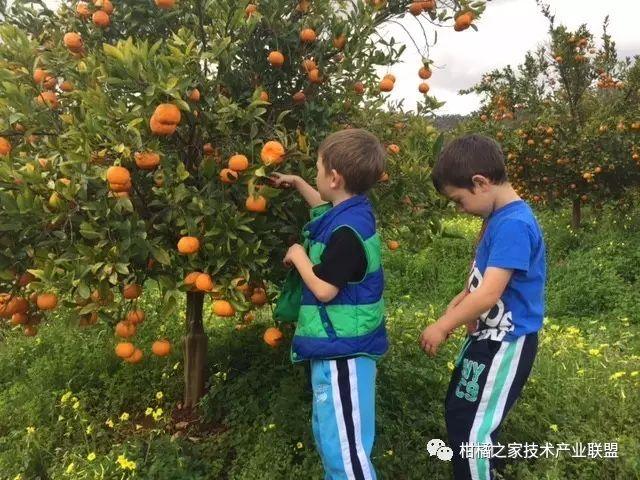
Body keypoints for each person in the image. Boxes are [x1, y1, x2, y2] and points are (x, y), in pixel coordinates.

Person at [420, 134, 546, 480]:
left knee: (473, 431)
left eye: (459, 201)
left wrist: (444, 324)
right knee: (463, 415)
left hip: (506, 343)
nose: (460, 209)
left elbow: (489, 294)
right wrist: (462, 300)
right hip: (487, 338)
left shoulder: (514, 224)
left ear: (480, 182)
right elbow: (482, 276)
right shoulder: (498, 218)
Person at [270, 128, 388, 480]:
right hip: (338, 347)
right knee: (334, 440)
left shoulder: (347, 232)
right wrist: (296, 183)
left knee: (346, 455)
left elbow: (324, 289)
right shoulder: (351, 212)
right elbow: (323, 207)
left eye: (318, 169)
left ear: (334, 178)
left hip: (344, 355)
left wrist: (298, 255)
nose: (316, 175)